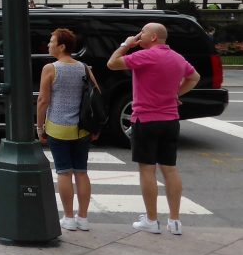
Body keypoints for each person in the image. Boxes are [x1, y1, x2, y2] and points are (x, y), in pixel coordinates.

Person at [108, 22, 201, 236]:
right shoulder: (177, 58)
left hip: (146, 120)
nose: (139, 35)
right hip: (170, 121)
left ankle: (151, 219)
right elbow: (194, 77)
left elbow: (112, 63)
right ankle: (175, 221)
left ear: (152, 38)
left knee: (147, 170)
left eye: (143, 32)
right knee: (170, 168)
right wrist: (177, 93)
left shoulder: (146, 56)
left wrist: (126, 44)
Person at [36, 28, 97, 232]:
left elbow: (43, 100)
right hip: (82, 129)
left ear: (62, 46)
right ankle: (83, 218)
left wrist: (39, 126)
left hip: (58, 126)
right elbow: (96, 94)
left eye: (52, 41)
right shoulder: (84, 68)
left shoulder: (51, 68)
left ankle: (69, 217)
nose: (49, 45)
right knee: (81, 172)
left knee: (64, 172)